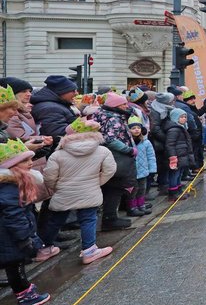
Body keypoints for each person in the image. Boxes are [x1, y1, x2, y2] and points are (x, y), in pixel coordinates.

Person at [40, 119, 116, 264]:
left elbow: (49, 176)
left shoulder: (58, 154)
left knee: (55, 220)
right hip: (90, 191)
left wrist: (57, 187)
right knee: (88, 219)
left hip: (63, 192)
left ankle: (45, 248)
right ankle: (89, 250)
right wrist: (96, 183)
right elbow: (110, 170)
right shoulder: (103, 151)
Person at [0, 139, 56, 305]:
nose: (31, 163)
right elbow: (14, 216)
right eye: (25, 161)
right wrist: (25, 237)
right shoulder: (9, 187)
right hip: (9, 235)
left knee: (14, 264)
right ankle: (26, 297)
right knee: (15, 265)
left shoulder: (13, 184)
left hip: (9, 233)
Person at [91, 92, 137, 229]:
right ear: (115, 105)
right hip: (116, 156)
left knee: (111, 187)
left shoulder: (102, 114)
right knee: (115, 188)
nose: (126, 105)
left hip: (108, 156)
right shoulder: (113, 119)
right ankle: (110, 218)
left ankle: (110, 216)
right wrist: (128, 150)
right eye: (123, 104)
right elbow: (110, 139)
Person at [128, 117, 156, 216]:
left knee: (142, 189)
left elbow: (151, 156)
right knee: (133, 190)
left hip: (143, 170)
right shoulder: (127, 143)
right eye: (133, 128)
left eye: (138, 128)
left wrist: (152, 169)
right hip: (132, 172)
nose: (136, 130)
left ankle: (141, 204)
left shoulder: (146, 142)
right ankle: (132, 207)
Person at [165, 108, 194, 201]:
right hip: (177, 155)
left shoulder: (181, 128)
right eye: (182, 117)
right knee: (175, 174)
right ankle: (173, 192)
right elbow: (170, 144)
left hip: (182, 154)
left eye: (185, 116)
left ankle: (178, 190)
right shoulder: (174, 129)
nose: (184, 119)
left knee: (179, 173)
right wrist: (173, 157)